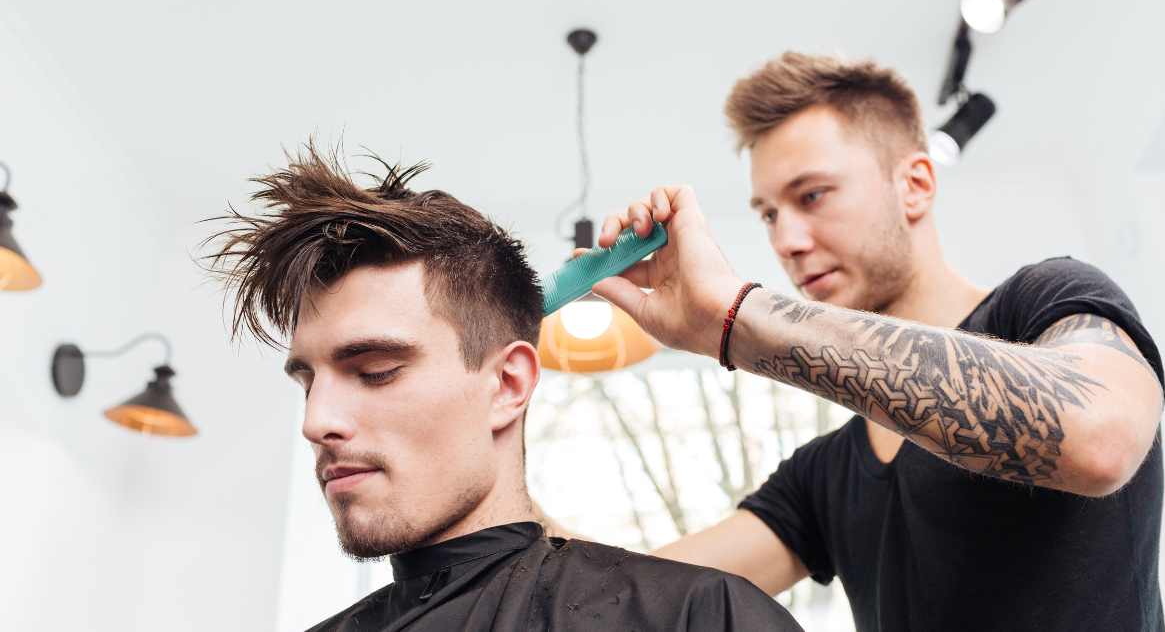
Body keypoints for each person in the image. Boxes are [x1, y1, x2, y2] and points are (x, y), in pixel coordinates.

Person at [576, 53, 1165, 631]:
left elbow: (1102, 438)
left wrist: (736, 317)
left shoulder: (1047, 301)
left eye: (811, 196)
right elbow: (628, 599)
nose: (787, 240)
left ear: (914, 185)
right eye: (767, 214)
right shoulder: (825, 475)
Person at [203, 145, 804, 632]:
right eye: (307, 382)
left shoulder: (698, 617)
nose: (316, 422)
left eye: (376, 371)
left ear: (508, 383)